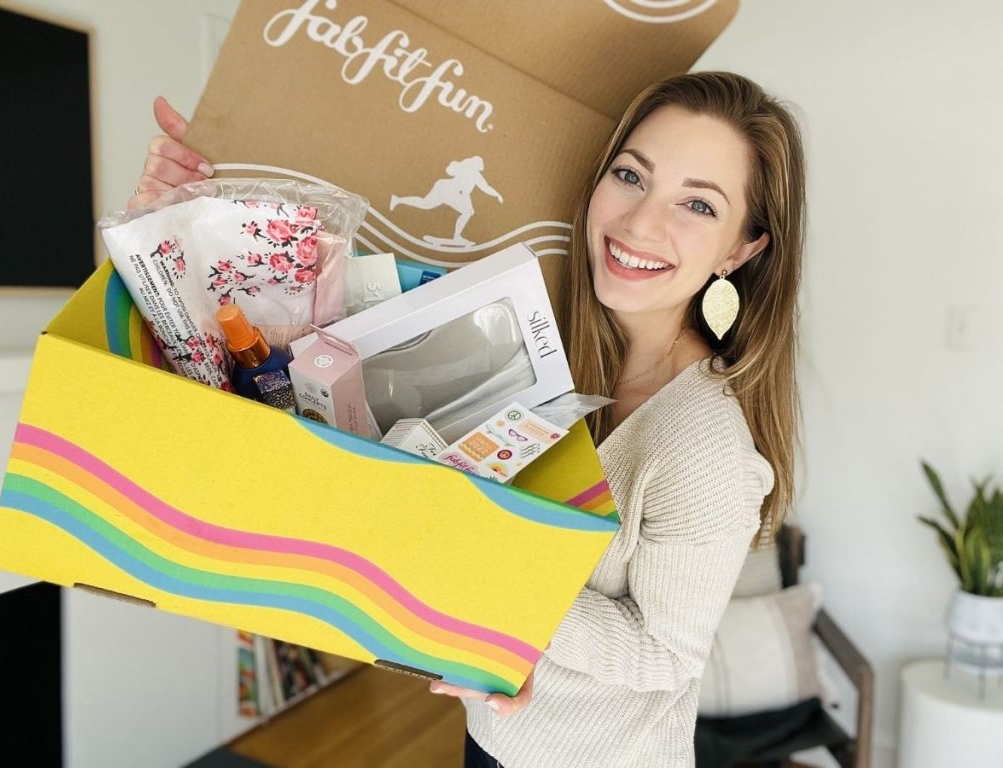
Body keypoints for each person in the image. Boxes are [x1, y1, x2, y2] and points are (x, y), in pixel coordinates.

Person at [131, 71, 805, 768]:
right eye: (632, 176)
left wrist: (500, 605)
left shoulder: (705, 446)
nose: (640, 223)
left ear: (740, 250)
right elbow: (311, 341)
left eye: (697, 204)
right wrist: (178, 228)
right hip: (494, 734)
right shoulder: (539, 345)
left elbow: (663, 654)